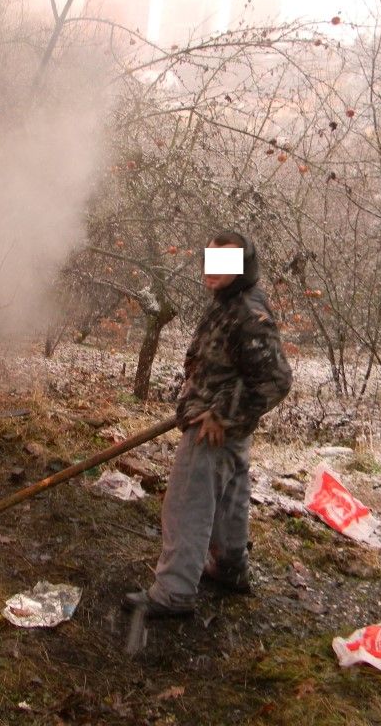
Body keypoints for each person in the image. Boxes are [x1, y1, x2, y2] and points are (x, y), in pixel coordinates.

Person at [123, 231, 293, 618]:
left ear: (243, 268)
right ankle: (231, 569)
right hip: (227, 431)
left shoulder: (248, 313)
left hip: (211, 430)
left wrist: (222, 414)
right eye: (209, 262)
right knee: (230, 501)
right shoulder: (231, 302)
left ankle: (173, 591)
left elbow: (277, 380)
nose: (211, 272)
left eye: (224, 264)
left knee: (187, 506)